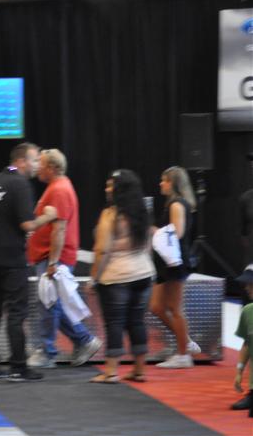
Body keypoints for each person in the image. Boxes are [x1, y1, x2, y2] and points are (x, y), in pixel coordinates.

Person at [0, 142, 58, 382]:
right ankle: (18, 367)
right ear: (21, 161)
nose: (37, 165)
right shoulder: (20, 184)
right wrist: (48, 217)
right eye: (34, 160)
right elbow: (27, 225)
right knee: (16, 313)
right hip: (12, 259)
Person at [27, 148, 102, 368]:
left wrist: (53, 262)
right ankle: (84, 341)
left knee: (49, 304)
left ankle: (47, 352)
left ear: (51, 167)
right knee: (52, 303)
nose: (37, 168)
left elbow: (59, 230)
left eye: (40, 164)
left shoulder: (59, 190)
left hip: (53, 258)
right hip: (50, 257)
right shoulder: (57, 187)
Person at [88, 170, 155, 384]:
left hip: (116, 277)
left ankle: (111, 372)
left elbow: (102, 250)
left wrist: (93, 278)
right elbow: (148, 245)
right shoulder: (143, 213)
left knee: (114, 323)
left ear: (120, 190)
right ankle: (139, 371)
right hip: (144, 274)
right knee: (137, 322)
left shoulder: (110, 215)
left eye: (111, 186)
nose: (107, 189)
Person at [150, 165, 201, 368]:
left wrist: (153, 231)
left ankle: (183, 354)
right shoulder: (173, 204)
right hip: (166, 263)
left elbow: (176, 233)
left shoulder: (177, 205)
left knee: (174, 308)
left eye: (164, 180)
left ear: (173, 183)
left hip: (174, 264)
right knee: (156, 307)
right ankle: (185, 341)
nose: (161, 184)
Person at [231, 264, 253, 416]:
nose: (247, 288)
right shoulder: (248, 311)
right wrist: (239, 370)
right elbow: (247, 343)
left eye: (251, 284)